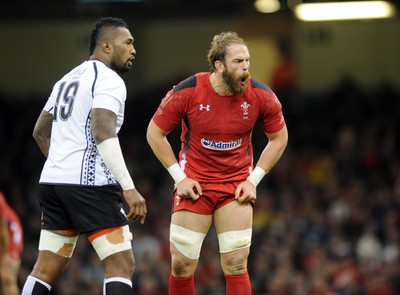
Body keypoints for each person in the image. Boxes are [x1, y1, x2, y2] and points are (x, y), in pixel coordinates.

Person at [146, 31, 288, 294]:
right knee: (181, 264)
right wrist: (180, 178)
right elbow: (154, 133)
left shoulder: (261, 94)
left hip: (235, 186)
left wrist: (252, 180)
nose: (246, 68)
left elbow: (279, 138)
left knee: (236, 263)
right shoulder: (188, 91)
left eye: (247, 61)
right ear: (219, 65)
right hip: (195, 184)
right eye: (238, 62)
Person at [21, 17, 147, 295]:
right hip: (90, 185)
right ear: (106, 46)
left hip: (53, 183)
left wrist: (62, 163)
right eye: (127, 43)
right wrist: (129, 188)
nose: (133, 50)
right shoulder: (109, 80)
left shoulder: (67, 78)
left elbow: (40, 130)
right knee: (121, 264)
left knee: (45, 269)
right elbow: (103, 131)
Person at [0, 191, 23, 295]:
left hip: (9, 243)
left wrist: (5, 255)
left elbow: (3, 230)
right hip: (10, 242)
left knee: (8, 279)